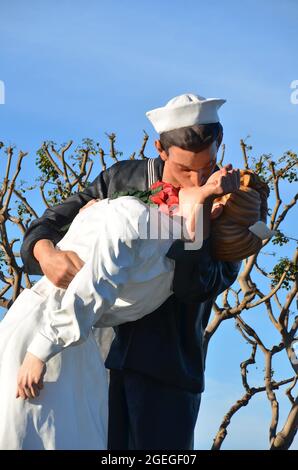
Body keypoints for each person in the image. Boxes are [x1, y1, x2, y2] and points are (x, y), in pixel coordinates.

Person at [20, 93, 242, 450]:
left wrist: (197, 211)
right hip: (90, 359)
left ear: (219, 145)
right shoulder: (121, 178)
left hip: (168, 370)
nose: (197, 177)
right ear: (160, 149)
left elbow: (196, 287)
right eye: (186, 169)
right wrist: (45, 253)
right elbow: (50, 223)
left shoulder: (233, 203)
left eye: (207, 165)